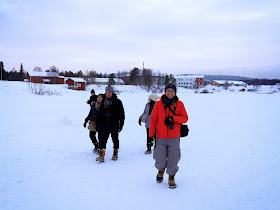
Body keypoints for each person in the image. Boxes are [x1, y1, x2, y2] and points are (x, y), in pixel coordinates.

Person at [149, 83, 188, 189]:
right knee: (159, 156)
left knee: (173, 157)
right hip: (160, 136)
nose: (170, 93)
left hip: (174, 136)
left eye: (172, 91)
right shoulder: (158, 104)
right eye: (168, 91)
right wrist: (151, 135)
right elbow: (153, 120)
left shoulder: (179, 104)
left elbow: (185, 118)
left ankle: (171, 175)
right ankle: (160, 170)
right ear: (165, 92)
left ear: (175, 92)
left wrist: (173, 119)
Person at [96, 85, 125, 162]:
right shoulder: (103, 102)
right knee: (102, 140)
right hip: (104, 124)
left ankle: (115, 153)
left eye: (109, 92)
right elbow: (99, 114)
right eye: (106, 92)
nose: (108, 94)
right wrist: (98, 124)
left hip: (114, 124)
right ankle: (101, 155)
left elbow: (122, 115)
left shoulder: (118, 102)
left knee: (115, 139)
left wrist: (121, 125)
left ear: (112, 92)